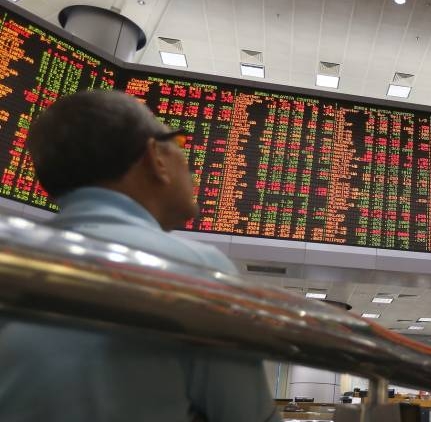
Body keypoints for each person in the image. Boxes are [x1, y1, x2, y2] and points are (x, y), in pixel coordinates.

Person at [0, 90, 281, 422]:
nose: (188, 162)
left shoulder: (13, 261)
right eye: (178, 142)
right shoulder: (198, 268)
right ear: (155, 157)